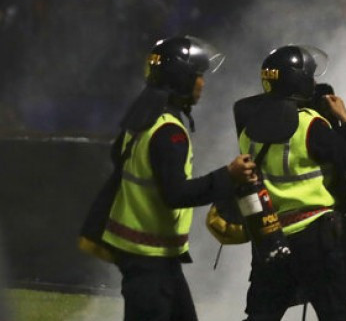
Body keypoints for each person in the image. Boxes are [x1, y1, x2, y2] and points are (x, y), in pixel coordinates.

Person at [78, 35, 257, 321]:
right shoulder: (168, 131)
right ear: (182, 79)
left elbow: (117, 159)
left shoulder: (142, 116)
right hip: (149, 259)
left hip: (147, 256)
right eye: (198, 75)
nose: (203, 82)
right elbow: (177, 194)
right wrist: (228, 175)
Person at [235, 44, 346, 321]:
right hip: (315, 239)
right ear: (300, 80)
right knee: (335, 314)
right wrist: (344, 119)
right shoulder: (310, 124)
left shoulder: (248, 131)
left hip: (272, 239)